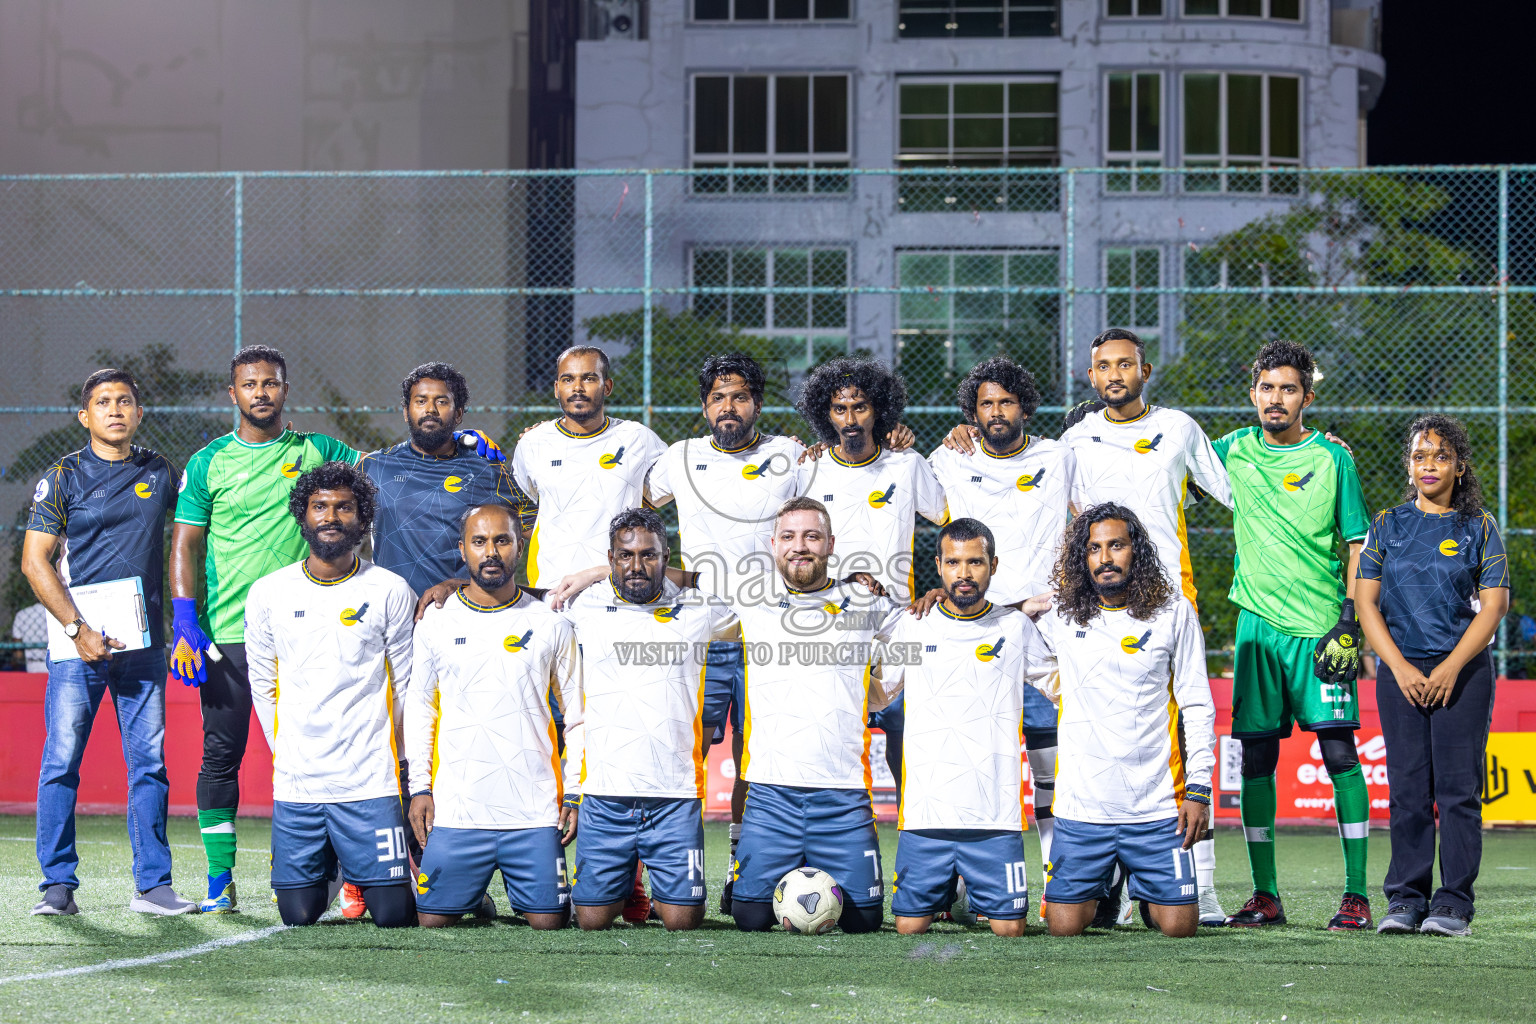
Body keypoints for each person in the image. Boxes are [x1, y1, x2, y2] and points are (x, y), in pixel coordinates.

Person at [171, 345, 501, 915]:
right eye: (250, 384)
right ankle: (221, 879)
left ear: (285, 390)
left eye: (270, 383)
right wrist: (183, 619)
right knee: (221, 754)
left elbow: (380, 469)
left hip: (331, 624)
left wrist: (464, 443)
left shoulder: (320, 450)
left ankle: (398, 870)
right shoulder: (207, 462)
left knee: (399, 750)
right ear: (234, 393)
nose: (260, 393)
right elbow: (186, 541)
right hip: (227, 629)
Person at [947, 329, 1231, 924]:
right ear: (1091, 375)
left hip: (1163, 602)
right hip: (1091, 607)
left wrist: (1290, 446)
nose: (1115, 374)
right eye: (1104, 365)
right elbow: (1045, 500)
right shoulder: (1073, 442)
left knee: (1172, 742)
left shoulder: (1178, 427)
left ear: (1144, 370)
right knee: (1086, 743)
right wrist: (963, 435)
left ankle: (1199, 883)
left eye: (1125, 363)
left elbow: (1234, 488)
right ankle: (1105, 881)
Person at [1211, 341, 1374, 931]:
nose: (1275, 398)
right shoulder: (1229, 450)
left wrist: (1349, 621)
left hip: (1320, 630)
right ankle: (1265, 896)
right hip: (1257, 627)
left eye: (1288, 388)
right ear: (1253, 393)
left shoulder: (1333, 458)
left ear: (1307, 396)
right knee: (1257, 758)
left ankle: (1356, 895)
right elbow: (1162, 463)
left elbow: (1358, 544)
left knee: (1339, 754)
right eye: (1266, 387)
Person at [21, 369, 193, 916]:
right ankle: (57, 886)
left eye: (124, 401)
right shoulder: (63, 475)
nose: (114, 410)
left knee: (149, 765)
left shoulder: (160, 471)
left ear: (139, 413)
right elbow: (34, 561)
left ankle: (153, 886)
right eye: (102, 402)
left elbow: (198, 530)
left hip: (142, 646)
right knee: (61, 761)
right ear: (85, 416)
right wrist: (77, 629)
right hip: (78, 645)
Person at [642, 353, 806, 912]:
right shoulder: (680, 458)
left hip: (771, 639)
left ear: (756, 403)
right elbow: (628, 499)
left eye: (739, 396)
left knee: (757, 760)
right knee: (681, 755)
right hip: (702, 638)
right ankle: (669, 872)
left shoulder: (789, 456)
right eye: (718, 397)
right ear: (704, 405)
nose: (728, 406)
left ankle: (741, 870)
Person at [244, 461, 417, 928]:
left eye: (344, 507)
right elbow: (263, 685)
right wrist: (287, 752)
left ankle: (381, 875)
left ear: (363, 518)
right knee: (297, 915)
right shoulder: (268, 593)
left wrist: (400, 760)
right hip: (299, 782)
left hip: (370, 781)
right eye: (319, 506)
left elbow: (406, 684)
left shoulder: (389, 589)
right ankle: (342, 870)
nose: (331, 517)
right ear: (303, 515)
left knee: (394, 915)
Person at [722, 497, 904, 934]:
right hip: (771, 796)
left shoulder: (864, 601)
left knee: (864, 921)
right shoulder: (750, 598)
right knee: (749, 918)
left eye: (811, 536)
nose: (799, 546)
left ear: (830, 544)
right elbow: (676, 588)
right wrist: (595, 573)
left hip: (842, 796)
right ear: (773, 545)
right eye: (788, 536)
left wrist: (872, 694)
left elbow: (918, 631)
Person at [1032, 503, 1215, 938]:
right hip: (1082, 809)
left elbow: (1197, 704)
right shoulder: (1061, 615)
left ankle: (1142, 886)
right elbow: (997, 628)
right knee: (1063, 928)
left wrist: (1199, 788)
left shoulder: (1173, 611)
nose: (1105, 558)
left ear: (1137, 550)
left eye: (1116, 545)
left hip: (1155, 808)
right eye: (1094, 548)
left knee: (1178, 929)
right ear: (1082, 557)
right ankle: (1110, 882)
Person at [926, 357, 1073, 898]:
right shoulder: (949, 458)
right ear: (972, 412)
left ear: (1024, 407)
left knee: (1053, 768)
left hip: (1048, 629)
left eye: (1006, 401)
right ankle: (962, 884)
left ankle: (1065, 883)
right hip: (978, 629)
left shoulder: (1059, 457)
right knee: (972, 758)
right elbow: (894, 481)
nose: (995, 411)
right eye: (985, 403)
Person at [1357, 415, 1509, 937]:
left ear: (1459, 467)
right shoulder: (1386, 524)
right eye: (1420, 456)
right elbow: (1366, 601)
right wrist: (1398, 666)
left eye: (1441, 456)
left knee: (1458, 791)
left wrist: (1450, 666)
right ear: (1408, 465)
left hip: (1463, 673)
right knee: (1407, 789)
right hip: (1400, 673)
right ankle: (1405, 900)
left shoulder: (1479, 526)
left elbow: (1494, 607)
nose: (1429, 465)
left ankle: (1453, 905)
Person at [555, 508, 739, 930]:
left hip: (674, 795)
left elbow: (750, 596)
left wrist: (600, 570)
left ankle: (640, 885)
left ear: (666, 558)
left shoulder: (699, 609)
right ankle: (628, 884)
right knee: (591, 922)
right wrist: (457, 587)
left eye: (648, 555)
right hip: (606, 795)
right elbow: (519, 602)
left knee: (683, 921)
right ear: (611, 558)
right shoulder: (585, 606)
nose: (636, 566)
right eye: (625, 556)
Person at [406, 503, 581, 929]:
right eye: (479, 541)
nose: (490, 552)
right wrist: (420, 787)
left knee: (549, 923)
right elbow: (421, 707)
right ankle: (472, 894)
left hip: (533, 812)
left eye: (502, 541)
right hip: (458, 811)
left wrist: (575, 792)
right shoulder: (436, 623)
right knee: (432, 923)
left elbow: (578, 715)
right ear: (462, 549)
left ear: (519, 547)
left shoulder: (551, 624)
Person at [882, 519, 1051, 937]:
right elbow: (878, 691)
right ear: (938, 566)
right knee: (908, 928)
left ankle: (963, 889)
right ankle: (956, 891)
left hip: (995, 817)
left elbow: (1061, 684)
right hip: (926, 815)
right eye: (954, 562)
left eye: (975, 562)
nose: (964, 573)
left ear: (993, 565)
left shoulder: (1015, 628)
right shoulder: (914, 625)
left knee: (1009, 931)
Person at [795, 358, 946, 822]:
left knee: (907, 738)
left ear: (878, 410)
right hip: (831, 625)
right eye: (839, 408)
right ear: (826, 414)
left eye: (860, 407)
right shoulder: (809, 469)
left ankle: (918, 831)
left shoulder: (907, 464)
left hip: (896, 622)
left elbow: (952, 520)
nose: (850, 418)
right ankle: (837, 833)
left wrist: (945, 586)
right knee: (833, 739)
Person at [361, 363, 531, 598]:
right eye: (421, 401)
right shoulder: (374, 467)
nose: (430, 409)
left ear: (458, 414)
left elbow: (540, 530)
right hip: (393, 606)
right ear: (406, 411)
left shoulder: (486, 469)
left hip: (459, 607)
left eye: (441, 402)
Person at [511, 346, 667, 589]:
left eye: (589, 378)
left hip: (619, 588)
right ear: (556, 388)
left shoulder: (638, 438)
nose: (577, 387)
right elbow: (522, 512)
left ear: (607, 386)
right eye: (568, 379)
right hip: (553, 589)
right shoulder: (533, 442)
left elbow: (667, 490)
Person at [10, 602, 48, 674]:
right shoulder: (54, 612)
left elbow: (18, 652)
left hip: (31, 664)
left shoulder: (22, 614)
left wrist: (16, 663)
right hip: (54, 660)